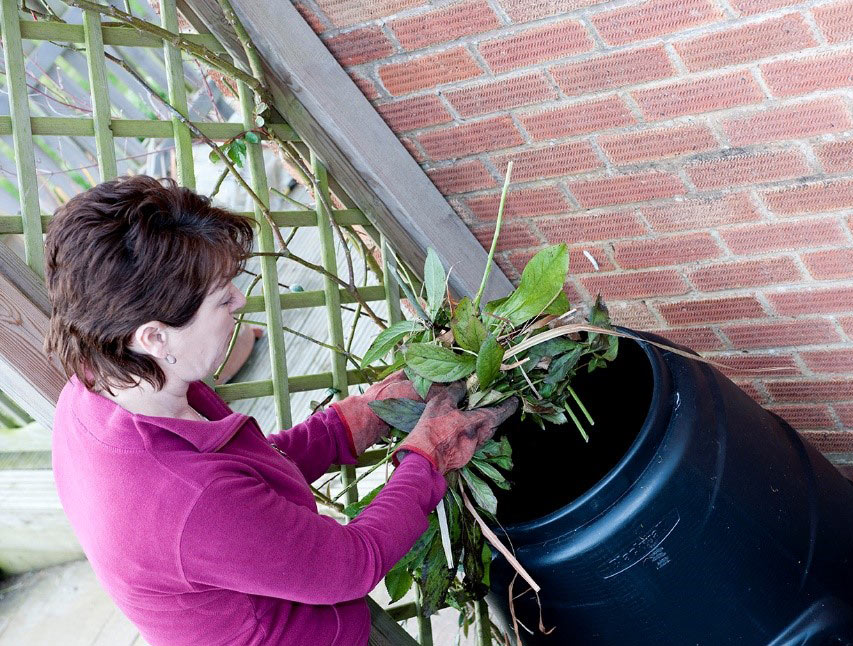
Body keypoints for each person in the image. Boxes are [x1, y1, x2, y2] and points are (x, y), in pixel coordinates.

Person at [44, 175, 517, 646]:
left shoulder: (103, 389)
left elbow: (238, 478)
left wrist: (348, 424)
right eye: (221, 296)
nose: (240, 300)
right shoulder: (186, 501)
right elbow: (351, 564)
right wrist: (428, 455)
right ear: (153, 337)